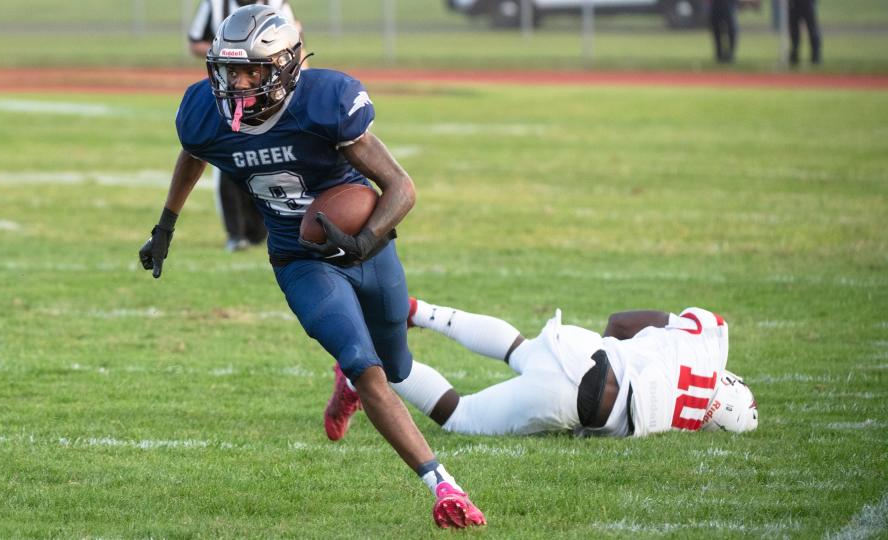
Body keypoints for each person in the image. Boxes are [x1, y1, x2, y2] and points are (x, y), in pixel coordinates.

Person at [139, 5, 485, 529]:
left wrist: (363, 242)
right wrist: (166, 225)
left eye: (251, 70)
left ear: (283, 67)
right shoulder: (205, 112)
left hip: (364, 247)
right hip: (299, 260)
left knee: (394, 367)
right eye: (229, 70)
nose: (237, 82)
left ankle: (348, 385)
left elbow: (401, 188)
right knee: (364, 366)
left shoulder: (327, 103)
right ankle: (444, 486)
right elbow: (193, 152)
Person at [329, 297, 758, 439]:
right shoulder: (683, 424)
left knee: (519, 349)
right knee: (461, 416)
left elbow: (621, 323)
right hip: (586, 397)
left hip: (581, 347)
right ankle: (365, 370)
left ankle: (417, 311)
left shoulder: (710, 339)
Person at [188, 0, 307, 251]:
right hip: (230, 90)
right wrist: (231, 51)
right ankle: (235, 233)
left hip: (270, 91)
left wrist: (303, 86)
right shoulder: (215, 4)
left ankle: (264, 226)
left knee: (269, 156)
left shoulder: (276, 4)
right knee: (227, 157)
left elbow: (295, 47)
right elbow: (195, 43)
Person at [788, 0, 822, 66]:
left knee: (812, 29)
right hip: (794, 3)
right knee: (794, 31)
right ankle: (794, 55)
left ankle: (816, 56)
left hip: (807, 2)